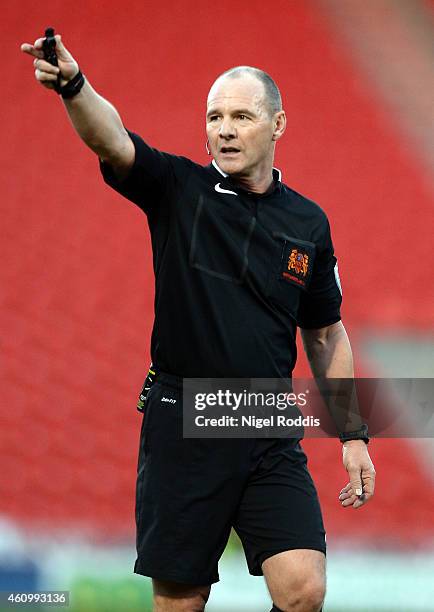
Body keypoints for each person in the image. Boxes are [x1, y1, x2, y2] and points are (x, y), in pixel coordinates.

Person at [21, 33, 376, 612]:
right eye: (214, 117)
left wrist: (354, 433)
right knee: (181, 604)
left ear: (278, 124)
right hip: (183, 417)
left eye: (242, 115)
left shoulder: (309, 222)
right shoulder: (178, 190)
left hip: (266, 420)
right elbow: (112, 141)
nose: (226, 129)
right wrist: (74, 87)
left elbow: (325, 332)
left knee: (304, 590)